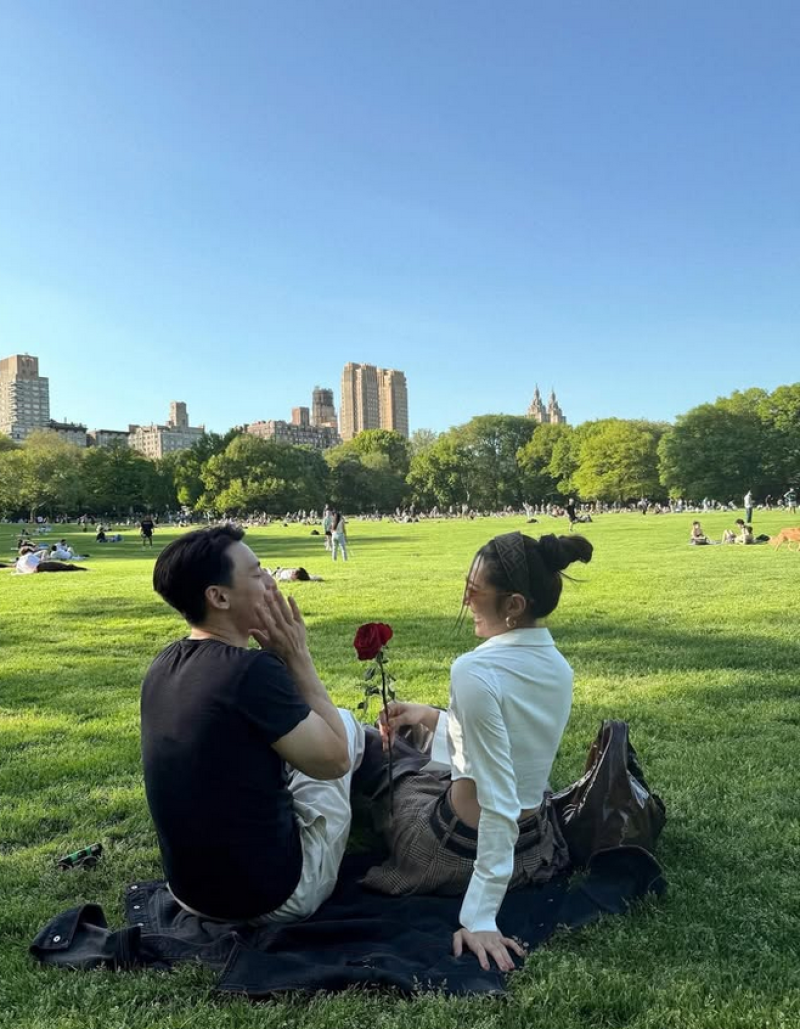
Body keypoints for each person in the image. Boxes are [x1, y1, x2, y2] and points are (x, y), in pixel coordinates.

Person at [364, 531, 593, 972]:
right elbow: (507, 748)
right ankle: (414, 728)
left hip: (450, 852)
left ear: (514, 605)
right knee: (415, 735)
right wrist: (430, 716)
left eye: (473, 591)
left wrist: (480, 916)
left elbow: (499, 800)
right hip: (536, 849)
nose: (465, 601)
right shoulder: (559, 668)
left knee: (379, 757)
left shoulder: (474, 669)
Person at [141, 525, 364, 925]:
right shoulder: (248, 671)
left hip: (188, 892)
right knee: (345, 727)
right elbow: (335, 761)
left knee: (316, 732)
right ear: (219, 597)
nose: (270, 583)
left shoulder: (164, 662)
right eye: (257, 573)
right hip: (272, 897)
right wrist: (297, 657)